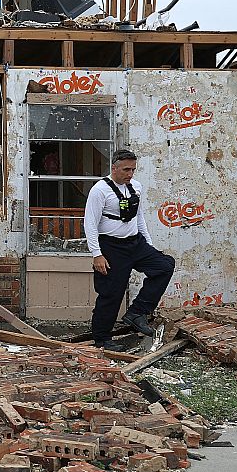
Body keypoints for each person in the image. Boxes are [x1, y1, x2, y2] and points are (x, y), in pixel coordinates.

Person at [83, 149, 175, 350]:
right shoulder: (100, 190)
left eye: (133, 169)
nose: (130, 174)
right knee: (111, 293)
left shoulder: (136, 187)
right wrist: (96, 254)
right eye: (126, 169)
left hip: (135, 242)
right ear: (114, 168)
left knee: (164, 266)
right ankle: (102, 339)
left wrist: (148, 244)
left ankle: (137, 312)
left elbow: (138, 217)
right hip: (111, 246)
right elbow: (90, 223)